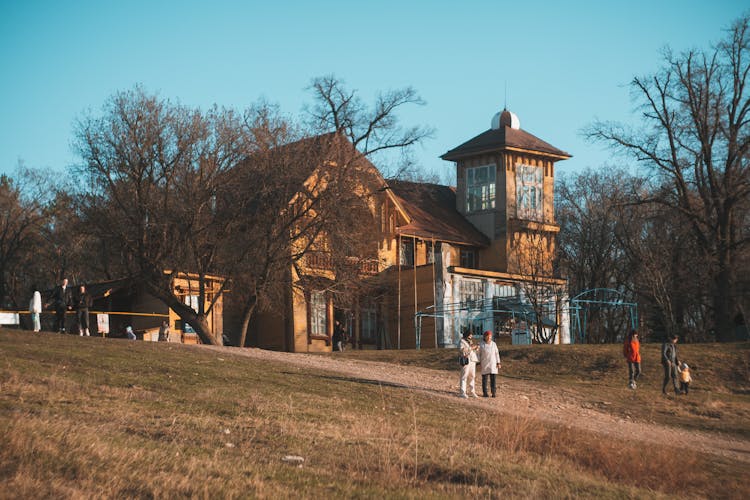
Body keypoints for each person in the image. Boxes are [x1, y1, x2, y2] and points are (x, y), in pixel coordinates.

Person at [477, 330, 501, 397]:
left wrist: (498, 362)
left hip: (493, 363)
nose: (489, 338)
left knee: (493, 379)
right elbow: (478, 354)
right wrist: (478, 363)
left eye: (490, 336)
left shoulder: (494, 344)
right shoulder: (481, 344)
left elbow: (497, 354)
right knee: (484, 379)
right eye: (487, 336)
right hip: (484, 363)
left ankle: (493, 392)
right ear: (484, 337)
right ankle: (485, 393)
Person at [458, 330, 479, 398]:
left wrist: (476, 348)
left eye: (471, 335)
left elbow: (473, 351)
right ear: (466, 335)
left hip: (472, 360)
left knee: (472, 376)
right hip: (466, 360)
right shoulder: (461, 341)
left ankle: (472, 391)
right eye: (470, 335)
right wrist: (472, 348)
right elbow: (462, 350)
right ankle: (462, 392)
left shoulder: (470, 342)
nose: (471, 337)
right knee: (464, 376)